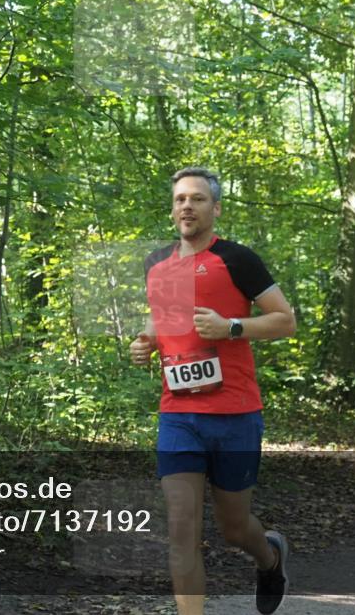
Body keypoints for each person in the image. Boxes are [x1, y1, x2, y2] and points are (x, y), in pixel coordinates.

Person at [130, 167, 296, 615]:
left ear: (215, 209)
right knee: (181, 529)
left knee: (234, 528)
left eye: (198, 199)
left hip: (235, 414)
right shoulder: (156, 264)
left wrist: (232, 327)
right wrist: (146, 341)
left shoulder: (238, 259)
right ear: (172, 209)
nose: (188, 205)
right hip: (179, 415)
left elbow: (285, 320)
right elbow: (160, 318)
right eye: (181, 198)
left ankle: (270, 557)